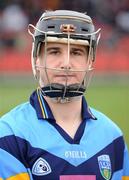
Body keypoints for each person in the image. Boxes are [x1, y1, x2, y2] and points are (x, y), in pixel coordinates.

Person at [0, 10, 129, 180]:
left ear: (90, 61)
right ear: (37, 58)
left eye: (76, 52)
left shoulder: (112, 136)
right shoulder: (10, 134)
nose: (66, 63)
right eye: (54, 51)